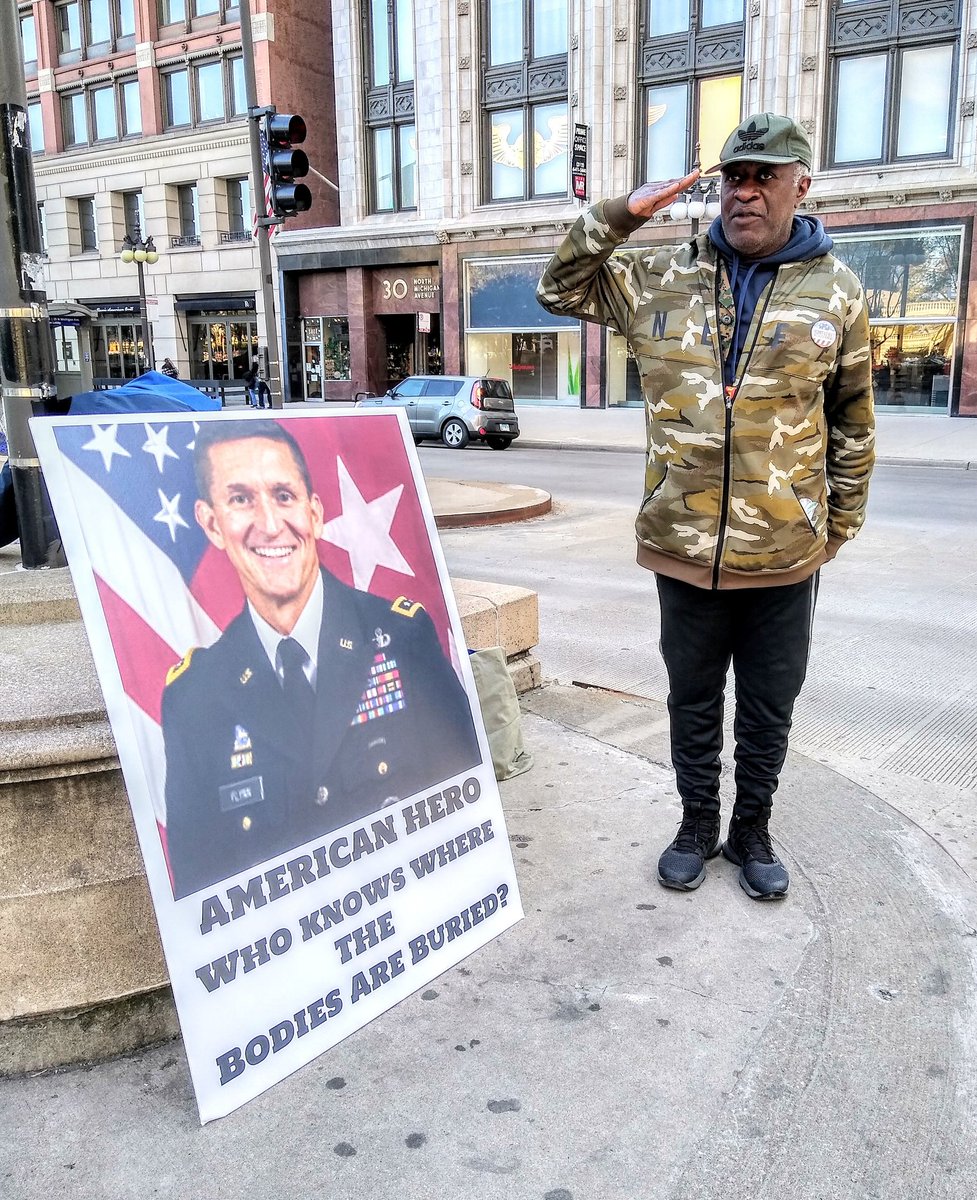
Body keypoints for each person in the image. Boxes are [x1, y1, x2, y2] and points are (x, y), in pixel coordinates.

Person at [537, 113, 874, 900]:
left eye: (763, 176)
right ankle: (695, 823)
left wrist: (836, 528)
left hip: (785, 554)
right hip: (679, 545)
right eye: (733, 176)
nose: (745, 192)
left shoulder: (837, 293)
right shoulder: (664, 277)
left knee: (766, 707)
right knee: (691, 699)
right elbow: (558, 286)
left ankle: (750, 830)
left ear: (800, 185)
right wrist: (623, 212)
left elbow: (853, 420)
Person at [161, 419, 482, 898]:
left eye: (284, 495)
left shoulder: (401, 636)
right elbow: (200, 888)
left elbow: (467, 804)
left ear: (313, 513)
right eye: (241, 499)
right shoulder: (193, 699)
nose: (270, 525)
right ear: (211, 522)